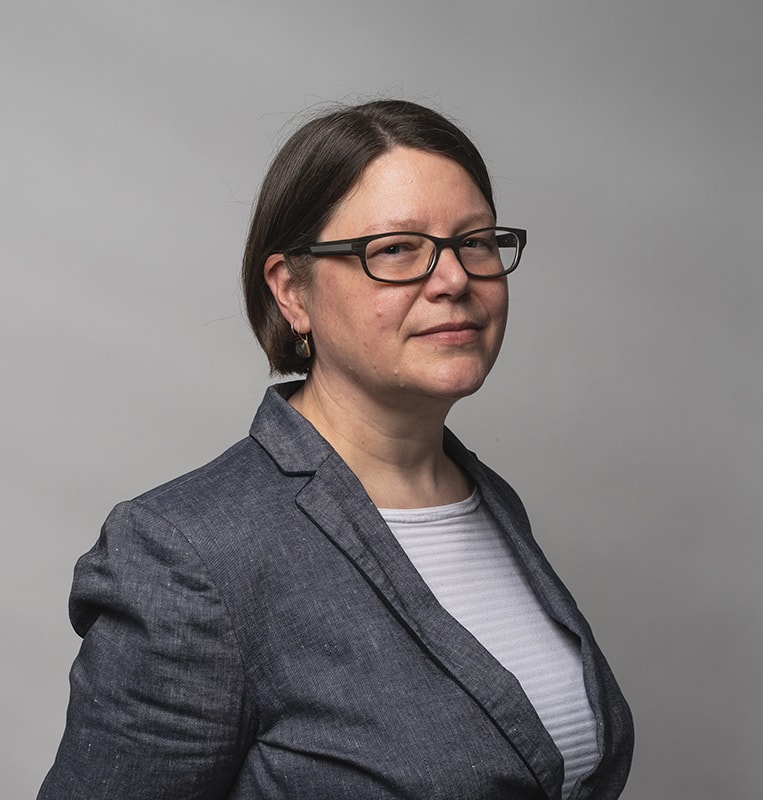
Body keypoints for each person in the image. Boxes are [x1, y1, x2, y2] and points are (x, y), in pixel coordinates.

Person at [38, 99, 633, 800]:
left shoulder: (489, 502)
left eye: (475, 242)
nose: (453, 279)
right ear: (292, 292)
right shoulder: (189, 555)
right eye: (395, 250)